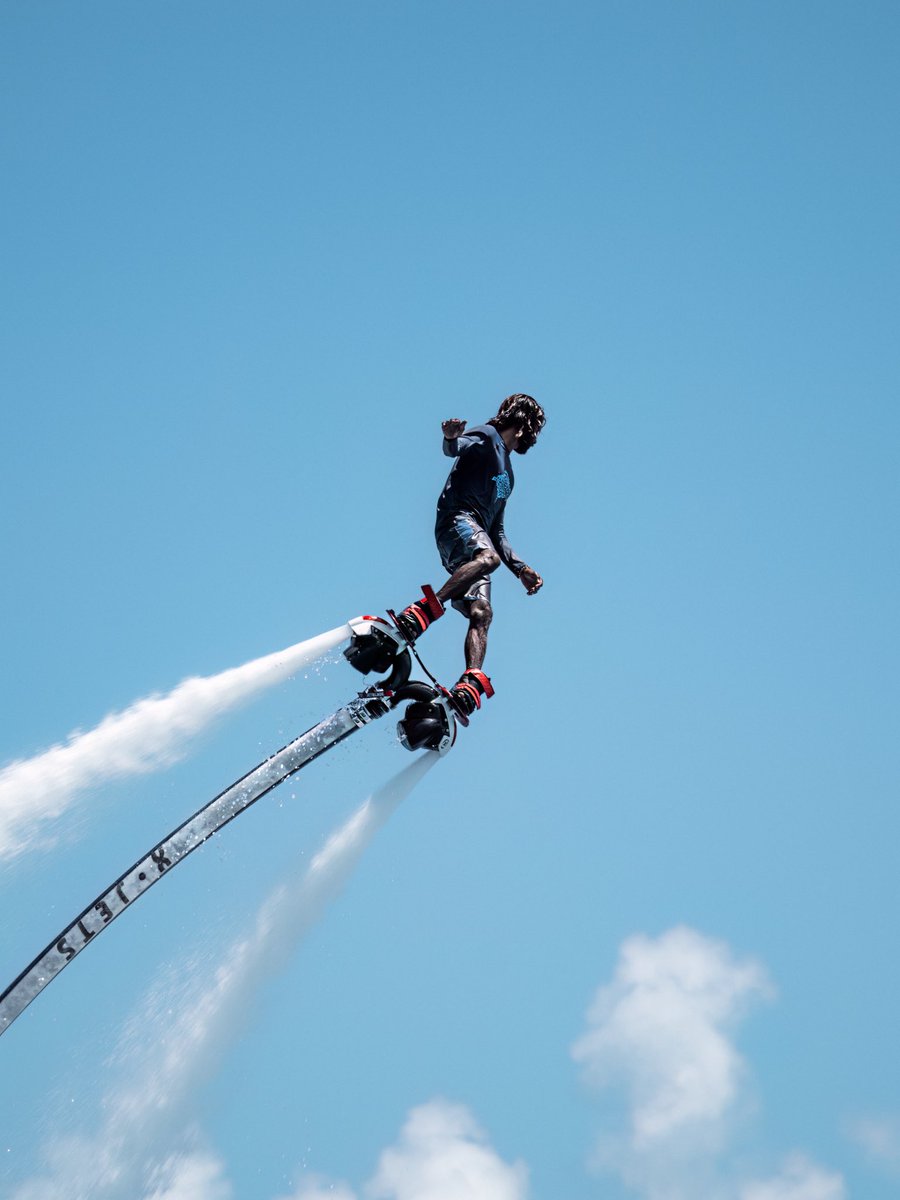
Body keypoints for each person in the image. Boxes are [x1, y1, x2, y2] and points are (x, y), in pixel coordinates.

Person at [396, 393, 545, 716]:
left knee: (482, 611)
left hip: (476, 545)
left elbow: (497, 530)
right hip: (455, 522)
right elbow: (455, 448)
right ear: (523, 425)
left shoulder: (508, 478)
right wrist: (449, 437)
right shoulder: (486, 435)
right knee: (488, 559)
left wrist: (520, 569)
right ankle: (421, 612)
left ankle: (469, 681)